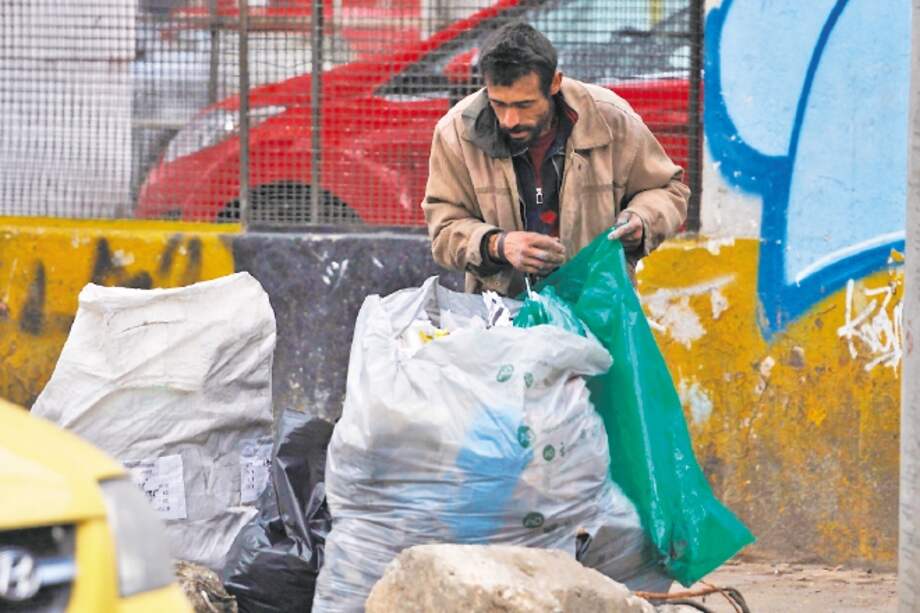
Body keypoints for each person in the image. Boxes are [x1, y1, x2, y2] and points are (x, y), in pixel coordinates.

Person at [422, 22, 690, 296]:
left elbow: (668, 190)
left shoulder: (610, 119)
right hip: (502, 317)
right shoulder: (456, 133)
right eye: (499, 104)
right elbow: (444, 231)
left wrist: (642, 220)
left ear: (554, 83)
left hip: (596, 307)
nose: (509, 120)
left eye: (524, 104)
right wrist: (498, 245)